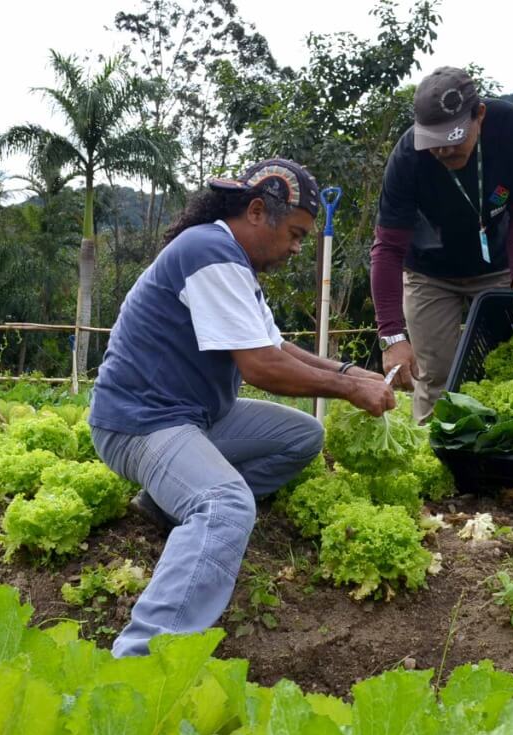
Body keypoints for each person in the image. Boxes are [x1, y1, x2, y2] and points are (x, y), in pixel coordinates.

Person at [88, 158, 395, 658]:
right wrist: (350, 392)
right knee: (225, 505)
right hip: (141, 423)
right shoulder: (209, 251)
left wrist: (350, 373)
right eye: (296, 234)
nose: (298, 248)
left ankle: (165, 502)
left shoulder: (232, 262)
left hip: (195, 418)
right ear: (257, 211)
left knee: (302, 437)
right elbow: (261, 367)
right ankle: (144, 662)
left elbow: (277, 347)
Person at [371, 66, 513, 422]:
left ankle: (500, 464)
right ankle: (432, 460)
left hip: (499, 269)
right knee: (435, 375)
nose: (442, 150)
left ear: (479, 115)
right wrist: (392, 336)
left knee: (505, 370)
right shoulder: (408, 157)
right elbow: (388, 248)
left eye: (454, 138)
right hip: (429, 273)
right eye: (434, 140)